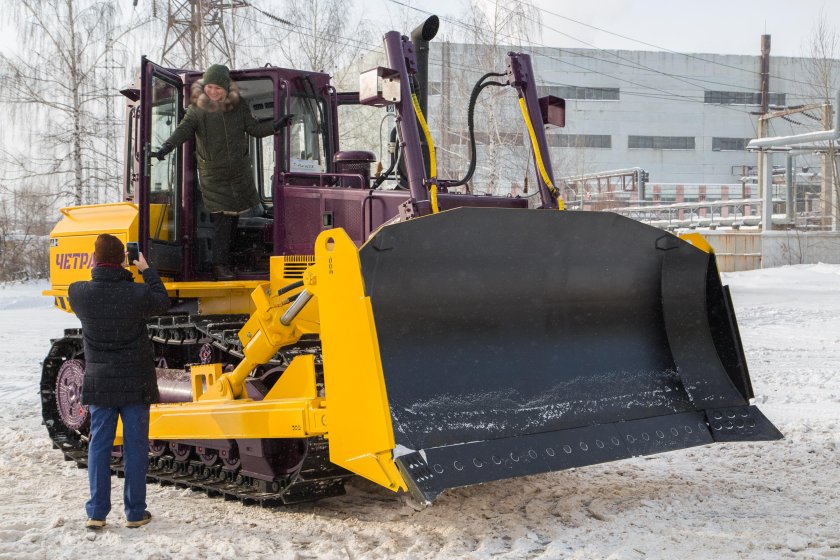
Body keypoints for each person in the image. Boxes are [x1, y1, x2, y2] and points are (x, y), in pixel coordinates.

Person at [151, 63, 292, 280]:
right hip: (214, 175)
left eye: (218, 88)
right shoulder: (197, 110)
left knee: (236, 218)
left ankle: (229, 262)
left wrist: (276, 125)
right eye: (210, 88)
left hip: (239, 173)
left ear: (226, 88)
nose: (213, 92)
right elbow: (183, 130)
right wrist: (166, 147)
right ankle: (219, 266)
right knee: (222, 221)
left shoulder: (239, 107)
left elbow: (254, 130)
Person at [68, 234, 171, 530]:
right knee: (136, 447)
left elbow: (84, 285)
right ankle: (135, 513)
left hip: (101, 383)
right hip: (135, 381)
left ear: (94, 260)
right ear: (123, 260)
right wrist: (146, 270)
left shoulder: (80, 293)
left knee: (99, 446)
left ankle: (97, 512)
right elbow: (162, 301)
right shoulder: (136, 294)